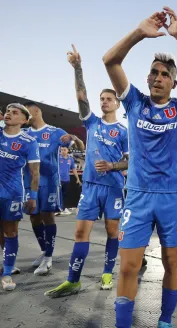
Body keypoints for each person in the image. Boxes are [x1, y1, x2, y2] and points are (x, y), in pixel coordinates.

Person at [103, 6, 177, 328]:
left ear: (173, 81)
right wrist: (139, 32)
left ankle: (165, 322)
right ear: (147, 77)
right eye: (154, 72)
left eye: (165, 74)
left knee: (171, 263)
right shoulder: (134, 102)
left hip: (172, 197)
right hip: (137, 196)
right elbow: (110, 60)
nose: (158, 77)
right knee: (127, 267)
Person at [44, 44, 129, 298]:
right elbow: (82, 96)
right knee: (81, 232)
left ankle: (106, 273)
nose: (103, 102)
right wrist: (78, 68)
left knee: (113, 232)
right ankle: (73, 280)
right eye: (101, 99)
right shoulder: (91, 122)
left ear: (117, 103)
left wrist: (113, 165)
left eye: (108, 99)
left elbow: (132, 162)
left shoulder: (124, 132)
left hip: (113, 186)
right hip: (91, 187)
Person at [23, 101, 83, 275]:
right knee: (34, 218)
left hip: (49, 182)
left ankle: (49, 257)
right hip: (29, 182)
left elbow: (80, 147)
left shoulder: (55, 132)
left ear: (36, 111)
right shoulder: (24, 133)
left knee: (47, 216)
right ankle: (44, 251)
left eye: (26, 111)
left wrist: (75, 138)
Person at [0, 104, 39, 290]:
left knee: (10, 232)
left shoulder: (28, 141)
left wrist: (33, 196)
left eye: (15, 113)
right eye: (8, 111)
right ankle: (7, 265)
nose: (9, 114)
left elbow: (35, 172)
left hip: (12, 193)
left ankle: (7, 273)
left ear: (24, 120)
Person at [57, 146, 82, 216]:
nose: (63, 151)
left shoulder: (70, 159)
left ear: (68, 150)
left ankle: (63, 208)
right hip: (58, 180)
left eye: (64, 150)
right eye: (61, 150)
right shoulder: (58, 158)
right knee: (58, 195)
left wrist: (77, 178)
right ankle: (57, 209)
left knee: (64, 195)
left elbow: (74, 169)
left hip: (66, 180)